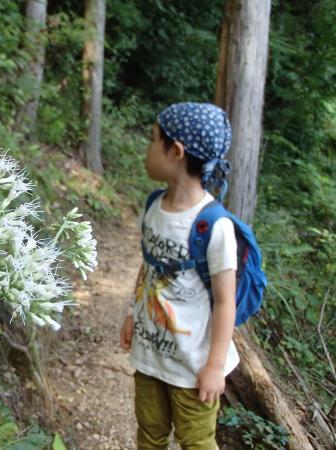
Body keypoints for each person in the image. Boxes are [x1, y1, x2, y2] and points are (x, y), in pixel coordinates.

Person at [119, 102, 239, 449]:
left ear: (176, 152)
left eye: (153, 139)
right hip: (150, 355)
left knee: (196, 441)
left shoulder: (214, 225)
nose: (147, 148)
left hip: (193, 366)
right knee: (149, 433)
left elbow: (225, 301)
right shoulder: (154, 207)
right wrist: (132, 313)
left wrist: (215, 366)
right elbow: (149, 267)